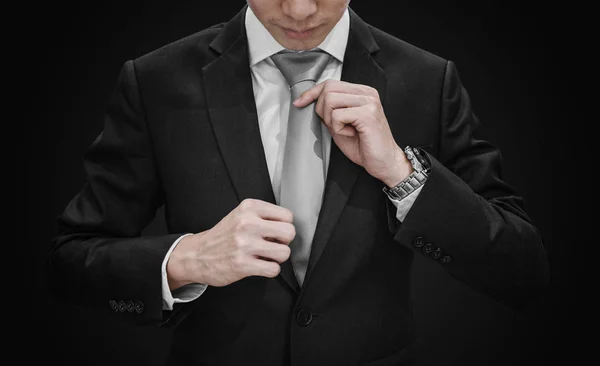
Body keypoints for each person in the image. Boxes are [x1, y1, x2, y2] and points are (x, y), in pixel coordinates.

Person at [48, 0, 550, 365]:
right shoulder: (155, 80)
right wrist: (187, 260)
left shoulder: (427, 80)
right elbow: (69, 262)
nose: (300, 9)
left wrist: (402, 173)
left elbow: (522, 271)